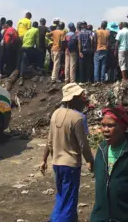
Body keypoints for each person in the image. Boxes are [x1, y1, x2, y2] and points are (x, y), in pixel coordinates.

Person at [41, 83, 94, 222]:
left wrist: (44, 159)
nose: (82, 99)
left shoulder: (55, 114)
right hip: (71, 165)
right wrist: (91, 161)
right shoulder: (77, 118)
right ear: (72, 99)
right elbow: (83, 145)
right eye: (79, 97)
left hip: (57, 163)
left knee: (61, 196)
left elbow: (49, 140)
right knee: (69, 201)